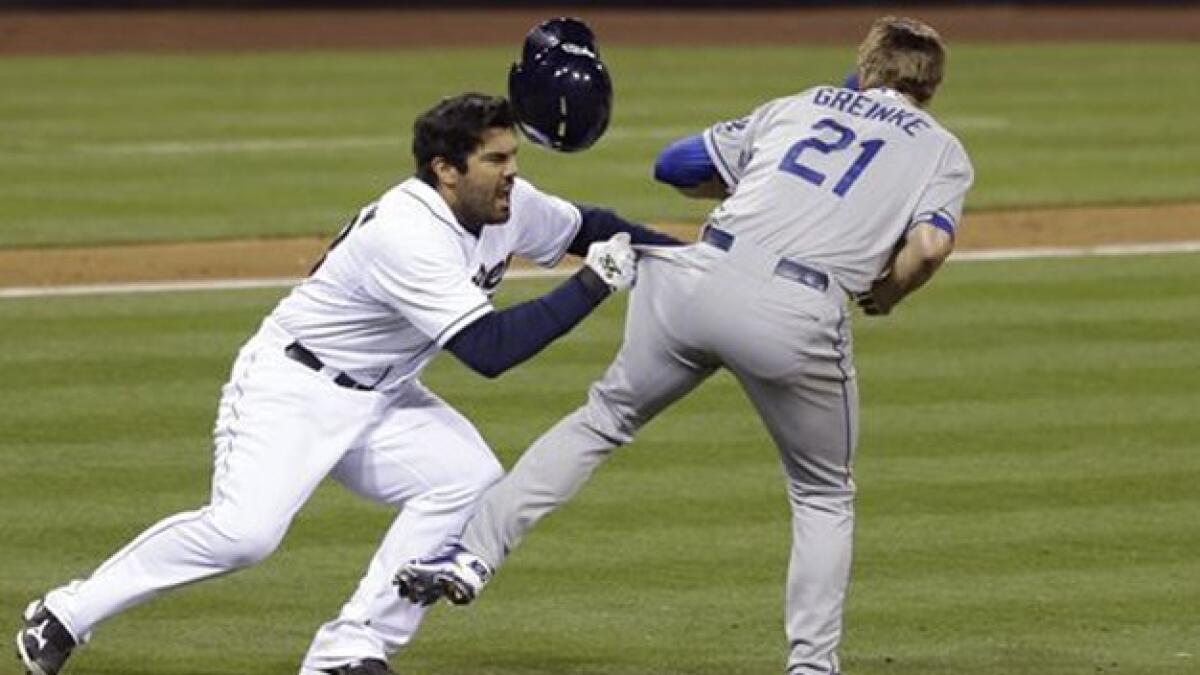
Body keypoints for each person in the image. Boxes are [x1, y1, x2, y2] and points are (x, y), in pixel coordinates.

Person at [14, 91, 680, 675]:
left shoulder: (507, 204)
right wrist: (595, 282)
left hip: (384, 394)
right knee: (246, 532)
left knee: (466, 477)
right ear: (446, 172)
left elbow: (590, 225)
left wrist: (693, 258)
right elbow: (490, 350)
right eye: (497, 161)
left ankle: (349, 648)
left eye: (513, 157)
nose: (513, 172)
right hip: (293, 383)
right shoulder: (408, 231)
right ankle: (67, 611)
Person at [396, 17, 974, 674]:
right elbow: (929, 245)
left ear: (864, 69)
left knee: (601, 419)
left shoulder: (801, 105)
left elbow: (674, 166)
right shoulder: (944, 150)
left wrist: (757, 180)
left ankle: (471, 552)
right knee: (822, 492)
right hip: (795, 309)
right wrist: (890, 294)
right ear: (933, 86)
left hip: (692, 277)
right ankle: (812, 665)